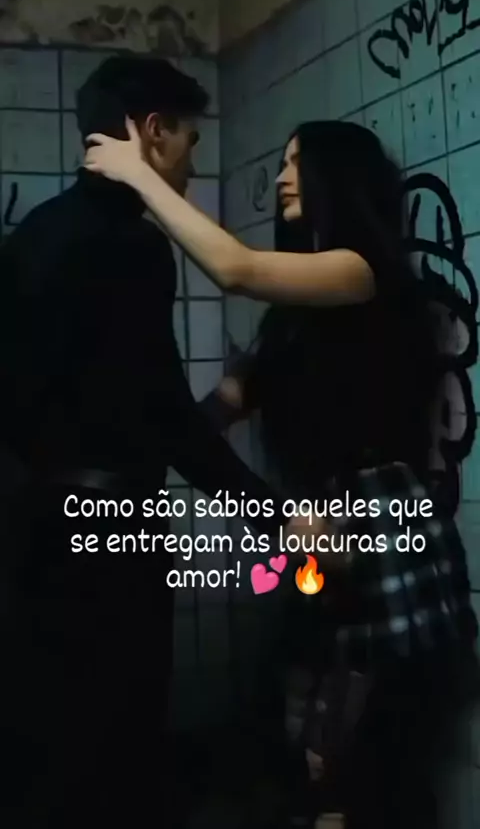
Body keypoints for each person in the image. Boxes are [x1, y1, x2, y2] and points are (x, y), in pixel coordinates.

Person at [84, 118, 479, 829]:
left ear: (340, 178)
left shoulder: (362, 271)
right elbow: (217, 411)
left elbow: (234, 268)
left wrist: (138, 172)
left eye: (300, 162)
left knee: (372, 760)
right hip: (327, 535)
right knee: (326, 755)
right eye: (284, 161)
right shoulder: (294, 320)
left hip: (383, 530)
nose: (283, 177)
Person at [0, 56, 305, 828]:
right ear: (153, 132)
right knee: (118, 753)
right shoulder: (132, 245)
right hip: (108, 542)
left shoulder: (33, 235)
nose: (194, 164)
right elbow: (161, 416)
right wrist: (272, 514)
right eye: (190, 142)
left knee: (50, 753)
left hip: (33, 533)